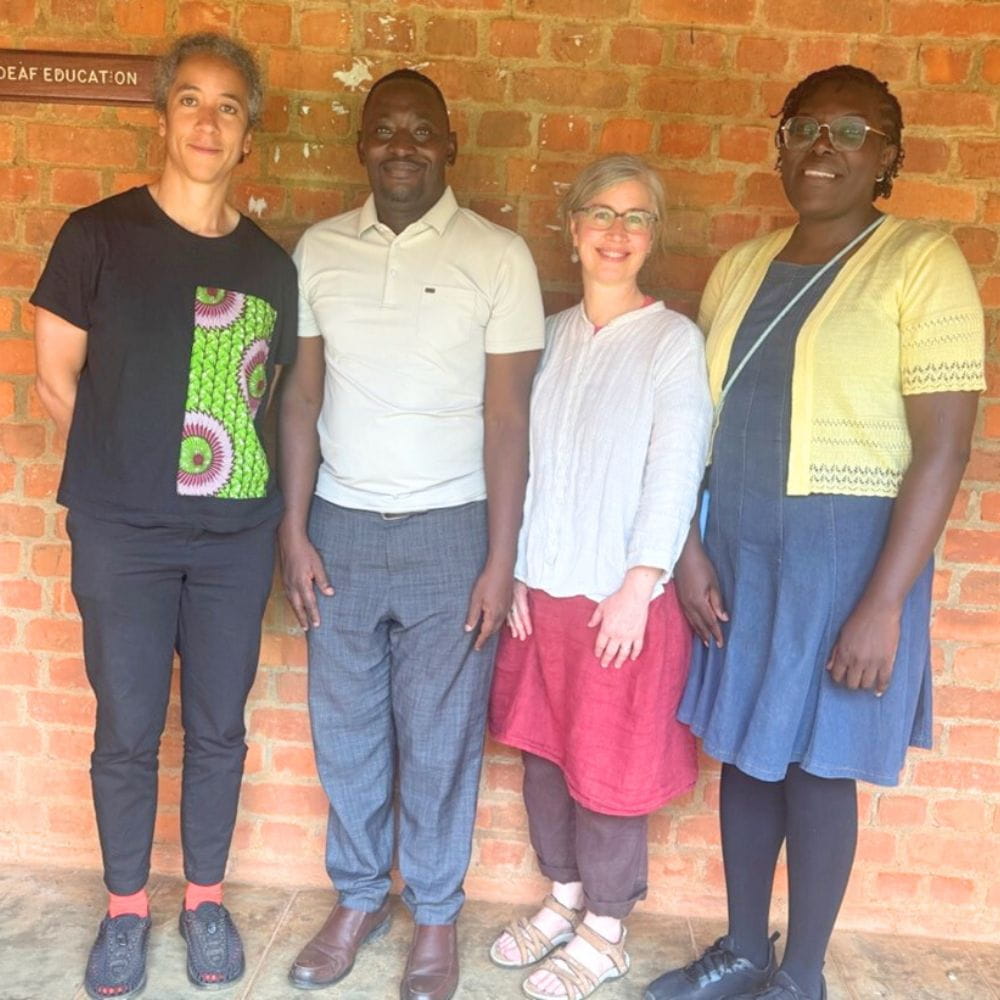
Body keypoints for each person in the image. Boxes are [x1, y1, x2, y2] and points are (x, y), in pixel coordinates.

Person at [644, 65, 985, 1000]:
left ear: (888, 157)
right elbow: (691, 431)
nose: (822, 147)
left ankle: (801, 975)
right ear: (780, 142)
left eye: (850, 131)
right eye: (804, 127)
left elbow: (945, 448)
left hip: (851, 561)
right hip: (740, 551)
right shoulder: (741, 267)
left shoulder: (921, 259)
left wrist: (883, 605)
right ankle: (745, 949)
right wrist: (687, 550)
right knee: (750, 753)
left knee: (819, 763)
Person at [31, 32, 297, 1000]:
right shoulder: (96, 235)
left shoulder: (271, 265)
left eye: (228, 105)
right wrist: (130, 465)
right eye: (190, 100)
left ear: (247, 133)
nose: (207, 120)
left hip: (233, 538)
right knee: (129, 727)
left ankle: (207, 900)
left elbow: (270, 402)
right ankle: (126, 910)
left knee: (220, 727)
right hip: (122, 532)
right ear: (162, 116)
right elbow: (56, 376)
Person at [279, 68, 544, 1000]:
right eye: (384, 130)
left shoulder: (500, 255)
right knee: (345, 731)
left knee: (440, 740)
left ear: (450, 146)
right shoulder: (317, 251)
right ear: (361, 147)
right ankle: (356, 897)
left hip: (452, 531)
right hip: (341, 529)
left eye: (420, 131)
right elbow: (301, 395)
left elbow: (510, 419)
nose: (402, 145)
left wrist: (499, 560)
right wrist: (295, 531)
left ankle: (434, 914)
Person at [487, 155, 712, 1000]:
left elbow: (675, 468)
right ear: (573, 227)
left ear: (654, 235)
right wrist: (508, 569)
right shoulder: (544, 337)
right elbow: (518, 464)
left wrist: (639, 580)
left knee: (610, 766)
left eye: (637, 217)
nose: (616, 234)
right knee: (546, 754)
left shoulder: (671, 341)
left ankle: (608, 928)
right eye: (602, 215)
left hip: (625, 601)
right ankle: (565, 895)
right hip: (540, 589)